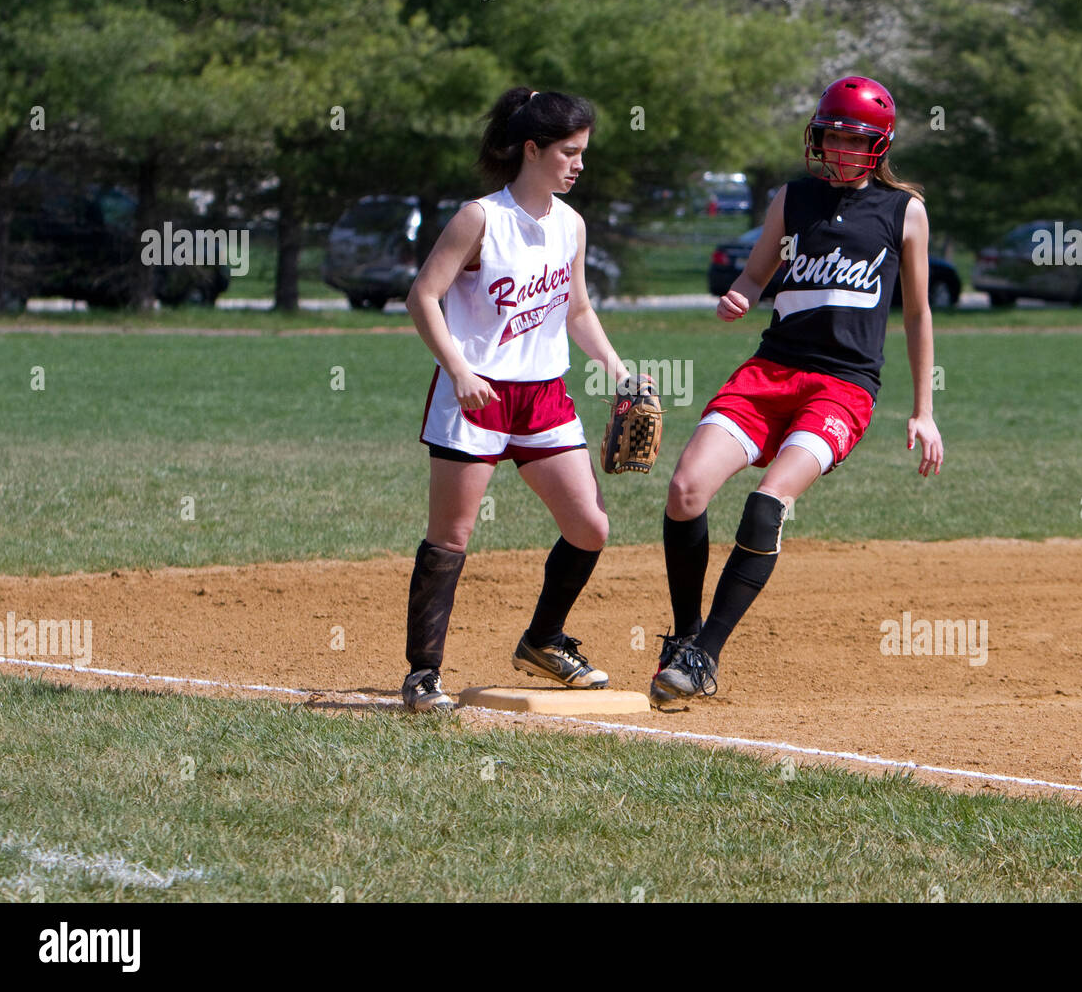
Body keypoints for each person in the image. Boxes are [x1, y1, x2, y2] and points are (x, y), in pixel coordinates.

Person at [651, 75, 944, 708]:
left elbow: (916, 313)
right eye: (830, 136)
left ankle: (706, 658)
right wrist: (740, 295)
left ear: (879, 146)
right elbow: (757, 273)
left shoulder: (903, 211)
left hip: (843, 385)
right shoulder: (792, 199)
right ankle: (682, 636)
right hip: (769, 372)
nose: (838, 149)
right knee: (685, 489)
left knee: (765, 504)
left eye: (853, 139)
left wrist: (924, 410)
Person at [401, 87, 635, 712]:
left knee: (590, 527)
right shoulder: (481, 218)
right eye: (569, 151)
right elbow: (423, 296)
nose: (579, 163)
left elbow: (577, 308)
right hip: (475, 396)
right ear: (532, 150)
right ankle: (424, 674)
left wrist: (615, 367)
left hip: (544, 396)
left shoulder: (571, 224)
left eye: (583, 151)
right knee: (452, 536)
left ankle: (543, 640)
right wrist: (457, 367)